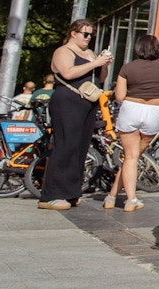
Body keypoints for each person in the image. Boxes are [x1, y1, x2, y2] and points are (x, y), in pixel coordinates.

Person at [37, 19, 112, 211]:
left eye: (91, 35)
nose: (88, 38)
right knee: (65, 145)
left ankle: (71, 191)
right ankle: (52, 194)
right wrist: (95, 62)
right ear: (73, 33)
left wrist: (103, 64)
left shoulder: (89, 53)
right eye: (85, 34)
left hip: (87, 101)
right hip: (67, 100)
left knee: (80, 147)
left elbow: (100, 78)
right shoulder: (63, 51)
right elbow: (68, 73)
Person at [104, 34, 159, 212]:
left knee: (130, 158)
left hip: (131, 109)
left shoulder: (127, 68)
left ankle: (128, 199)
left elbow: (119, 96)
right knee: (132, 158)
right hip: (155, 111)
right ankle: (112, 197)